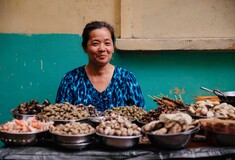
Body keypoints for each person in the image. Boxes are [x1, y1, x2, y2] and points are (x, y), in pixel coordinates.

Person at [55, 21, 145, 112]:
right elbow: (60, 116)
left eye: (107, 43)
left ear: (113, 47)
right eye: (95, 43)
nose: (102, 49)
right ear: (85, 47)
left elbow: (141, 116)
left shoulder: (127, 79)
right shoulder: (71, 80)